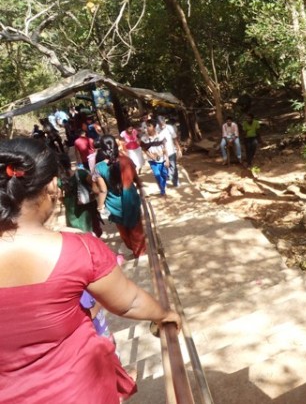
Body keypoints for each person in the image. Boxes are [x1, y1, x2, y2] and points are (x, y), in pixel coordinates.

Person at [0, 137, 181, 404]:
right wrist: (165, 314)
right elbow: (129, 302)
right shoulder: (79, 250)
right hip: (79, 390)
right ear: (51, 185)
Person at [94, 135, 146, 257]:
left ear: (102, 149)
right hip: (131, 199)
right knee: (136, 229)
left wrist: (100, 206)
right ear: (116, 146)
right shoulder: (127, 161)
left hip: (114, 204)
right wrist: (141, 187)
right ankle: (140, 253)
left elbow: (103, 190)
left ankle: (132, 248)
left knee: (123, 230)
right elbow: (136, 178)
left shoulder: (98, 167)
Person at [58, 154, 103, 238]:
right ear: (69, 164)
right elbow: (95, 188)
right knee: (92, 229)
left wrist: (66, 201)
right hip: (87, 206)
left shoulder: (59, 181)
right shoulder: (81, 173)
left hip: (71, 210)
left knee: (78, 233)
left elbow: (59, 197)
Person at [140, 120, 170, 196]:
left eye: (149, 126)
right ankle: (162, 190)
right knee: (157, 175)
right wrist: (150, 156)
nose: (147, 128)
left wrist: (167, 159)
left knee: (164, 175)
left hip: (162, 160)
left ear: (154, 127)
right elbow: (144, 149)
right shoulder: (144, 139)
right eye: (146, 126)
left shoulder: (160, 136)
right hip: (152, 161)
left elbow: (165, 148)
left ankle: (163, 184)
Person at [157, 115, 182, 187]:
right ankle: (167, 178)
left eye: (163, 123)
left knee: (173, 167)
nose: (162, 125)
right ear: (158, 123)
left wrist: (179, 149)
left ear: (165, 121)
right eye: (160, 124)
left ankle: (176, 181)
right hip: (162, 153)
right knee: (164, 167)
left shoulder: (170, 128)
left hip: (171, 151)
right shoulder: (156, 129)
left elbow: (175, 138)